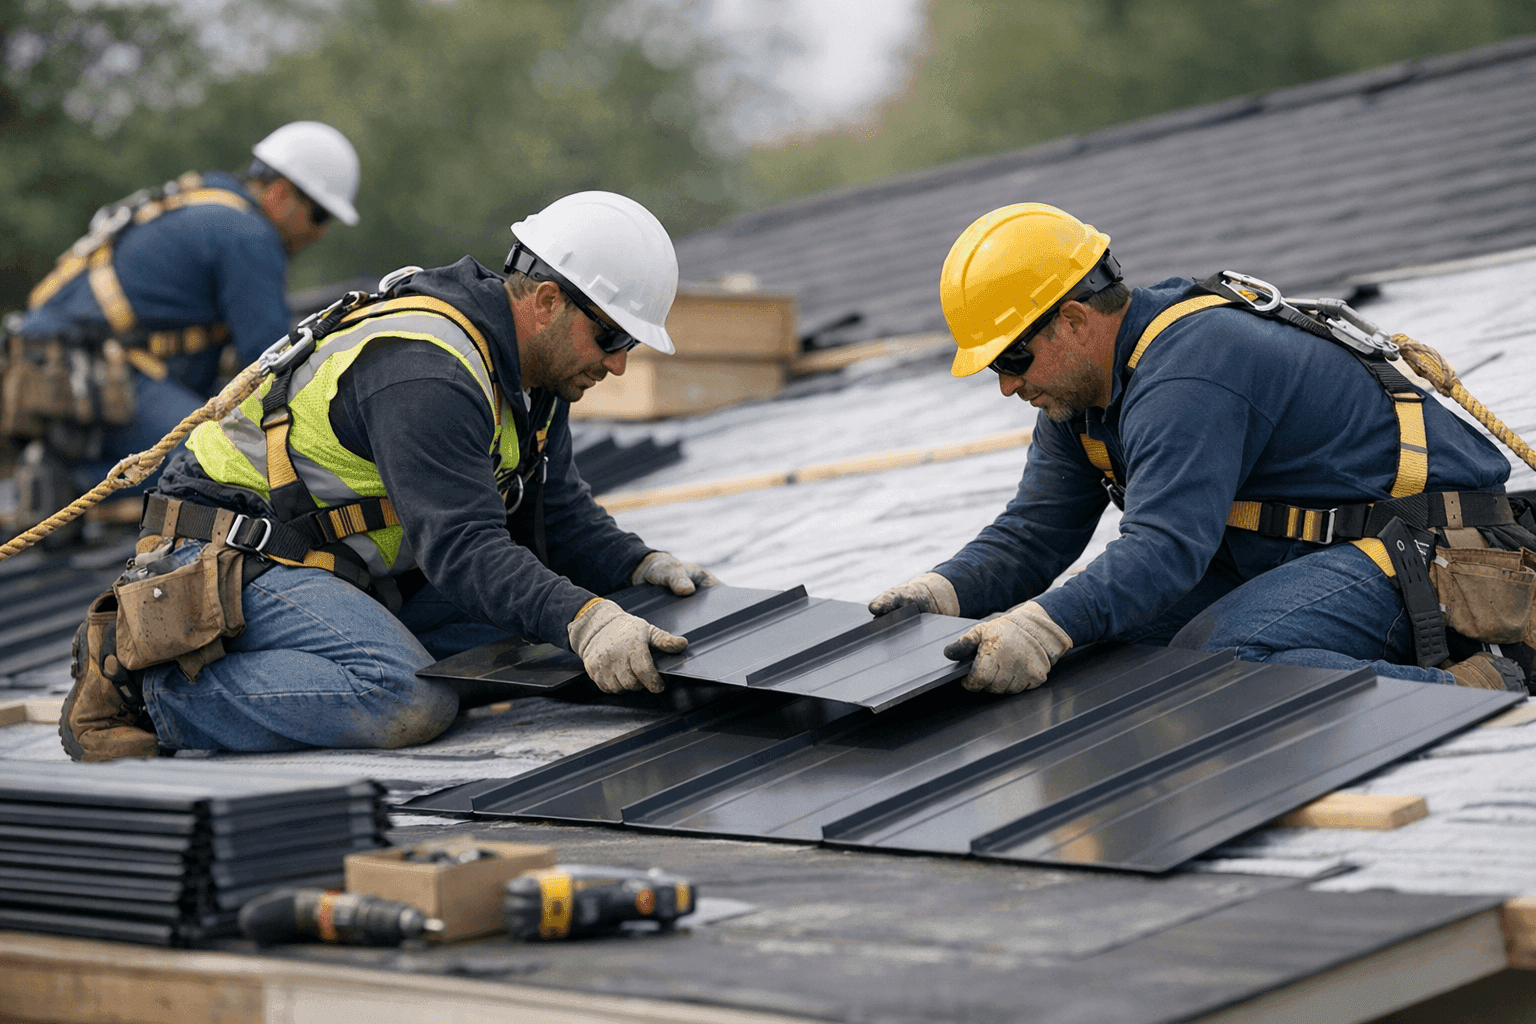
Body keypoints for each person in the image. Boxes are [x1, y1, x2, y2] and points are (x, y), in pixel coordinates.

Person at [61, 190, 720, 761]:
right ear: (549, 303)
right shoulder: (426, 370)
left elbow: (556, 511)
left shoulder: (533, 375)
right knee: (407, 697)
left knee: (528, 630)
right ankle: (152, 687)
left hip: (330, 565)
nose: (618, 366)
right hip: (233, 549)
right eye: (612, 340)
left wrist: (639, 568)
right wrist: (586, 619)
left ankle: (283, 665)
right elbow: (463, 548)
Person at [870, 203, 1528, 697]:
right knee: (1106, 647)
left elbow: (1164, 550)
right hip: (1313, 554)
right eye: (995, 369)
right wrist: (940, 593)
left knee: (1230, 660)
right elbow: (1033, 536)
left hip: (1433, 546)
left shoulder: (1191, 368)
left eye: (1014, 357)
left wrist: (1040, 628)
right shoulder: (1083, 398)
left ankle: (1490, 688)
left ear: (1073, 319)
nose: (1009, 384)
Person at [5, 121, 361, 525]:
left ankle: (66, 472)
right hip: (94, 372)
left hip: (60, 361)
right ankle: (73, 487)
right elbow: (272, 365)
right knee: (222, 460)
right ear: (281, 194)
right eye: (319, 215)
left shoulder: (209, 199)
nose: (321, 233)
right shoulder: (249, 236)